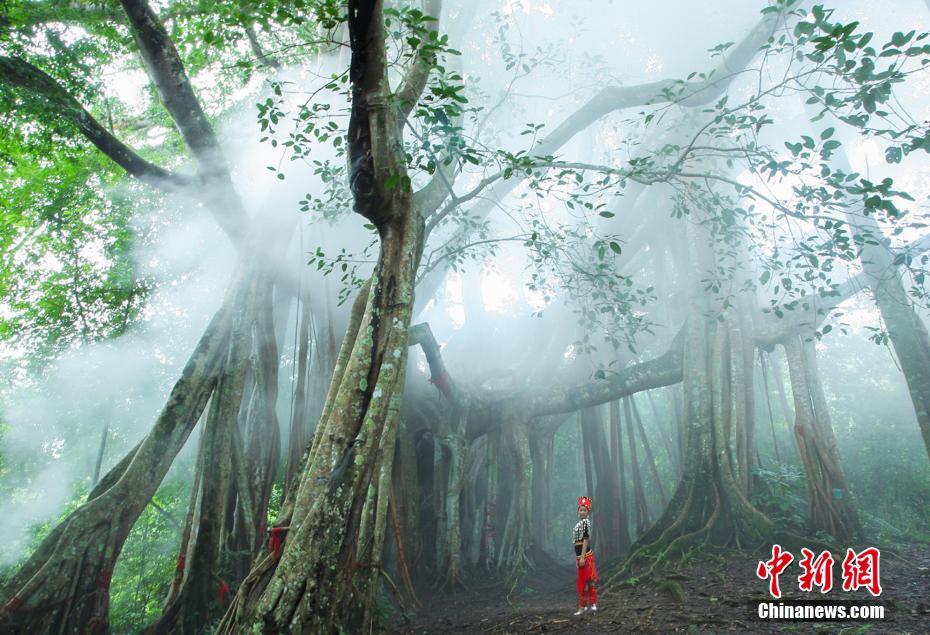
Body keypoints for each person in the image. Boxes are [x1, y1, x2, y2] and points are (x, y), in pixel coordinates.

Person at [573, 496, 598, 615]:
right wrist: (577, 558)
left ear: (588, 512)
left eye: (585, 510)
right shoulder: (579, 524)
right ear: (578, 511)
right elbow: (576, 544)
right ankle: (583, 606)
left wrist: (582, 557)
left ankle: (593, 604)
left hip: (586, 556)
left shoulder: (586, 523)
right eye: (581, 510)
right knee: (583, 583)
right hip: (580, 557)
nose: (582, 512)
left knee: (590, 581)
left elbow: (585, 540)